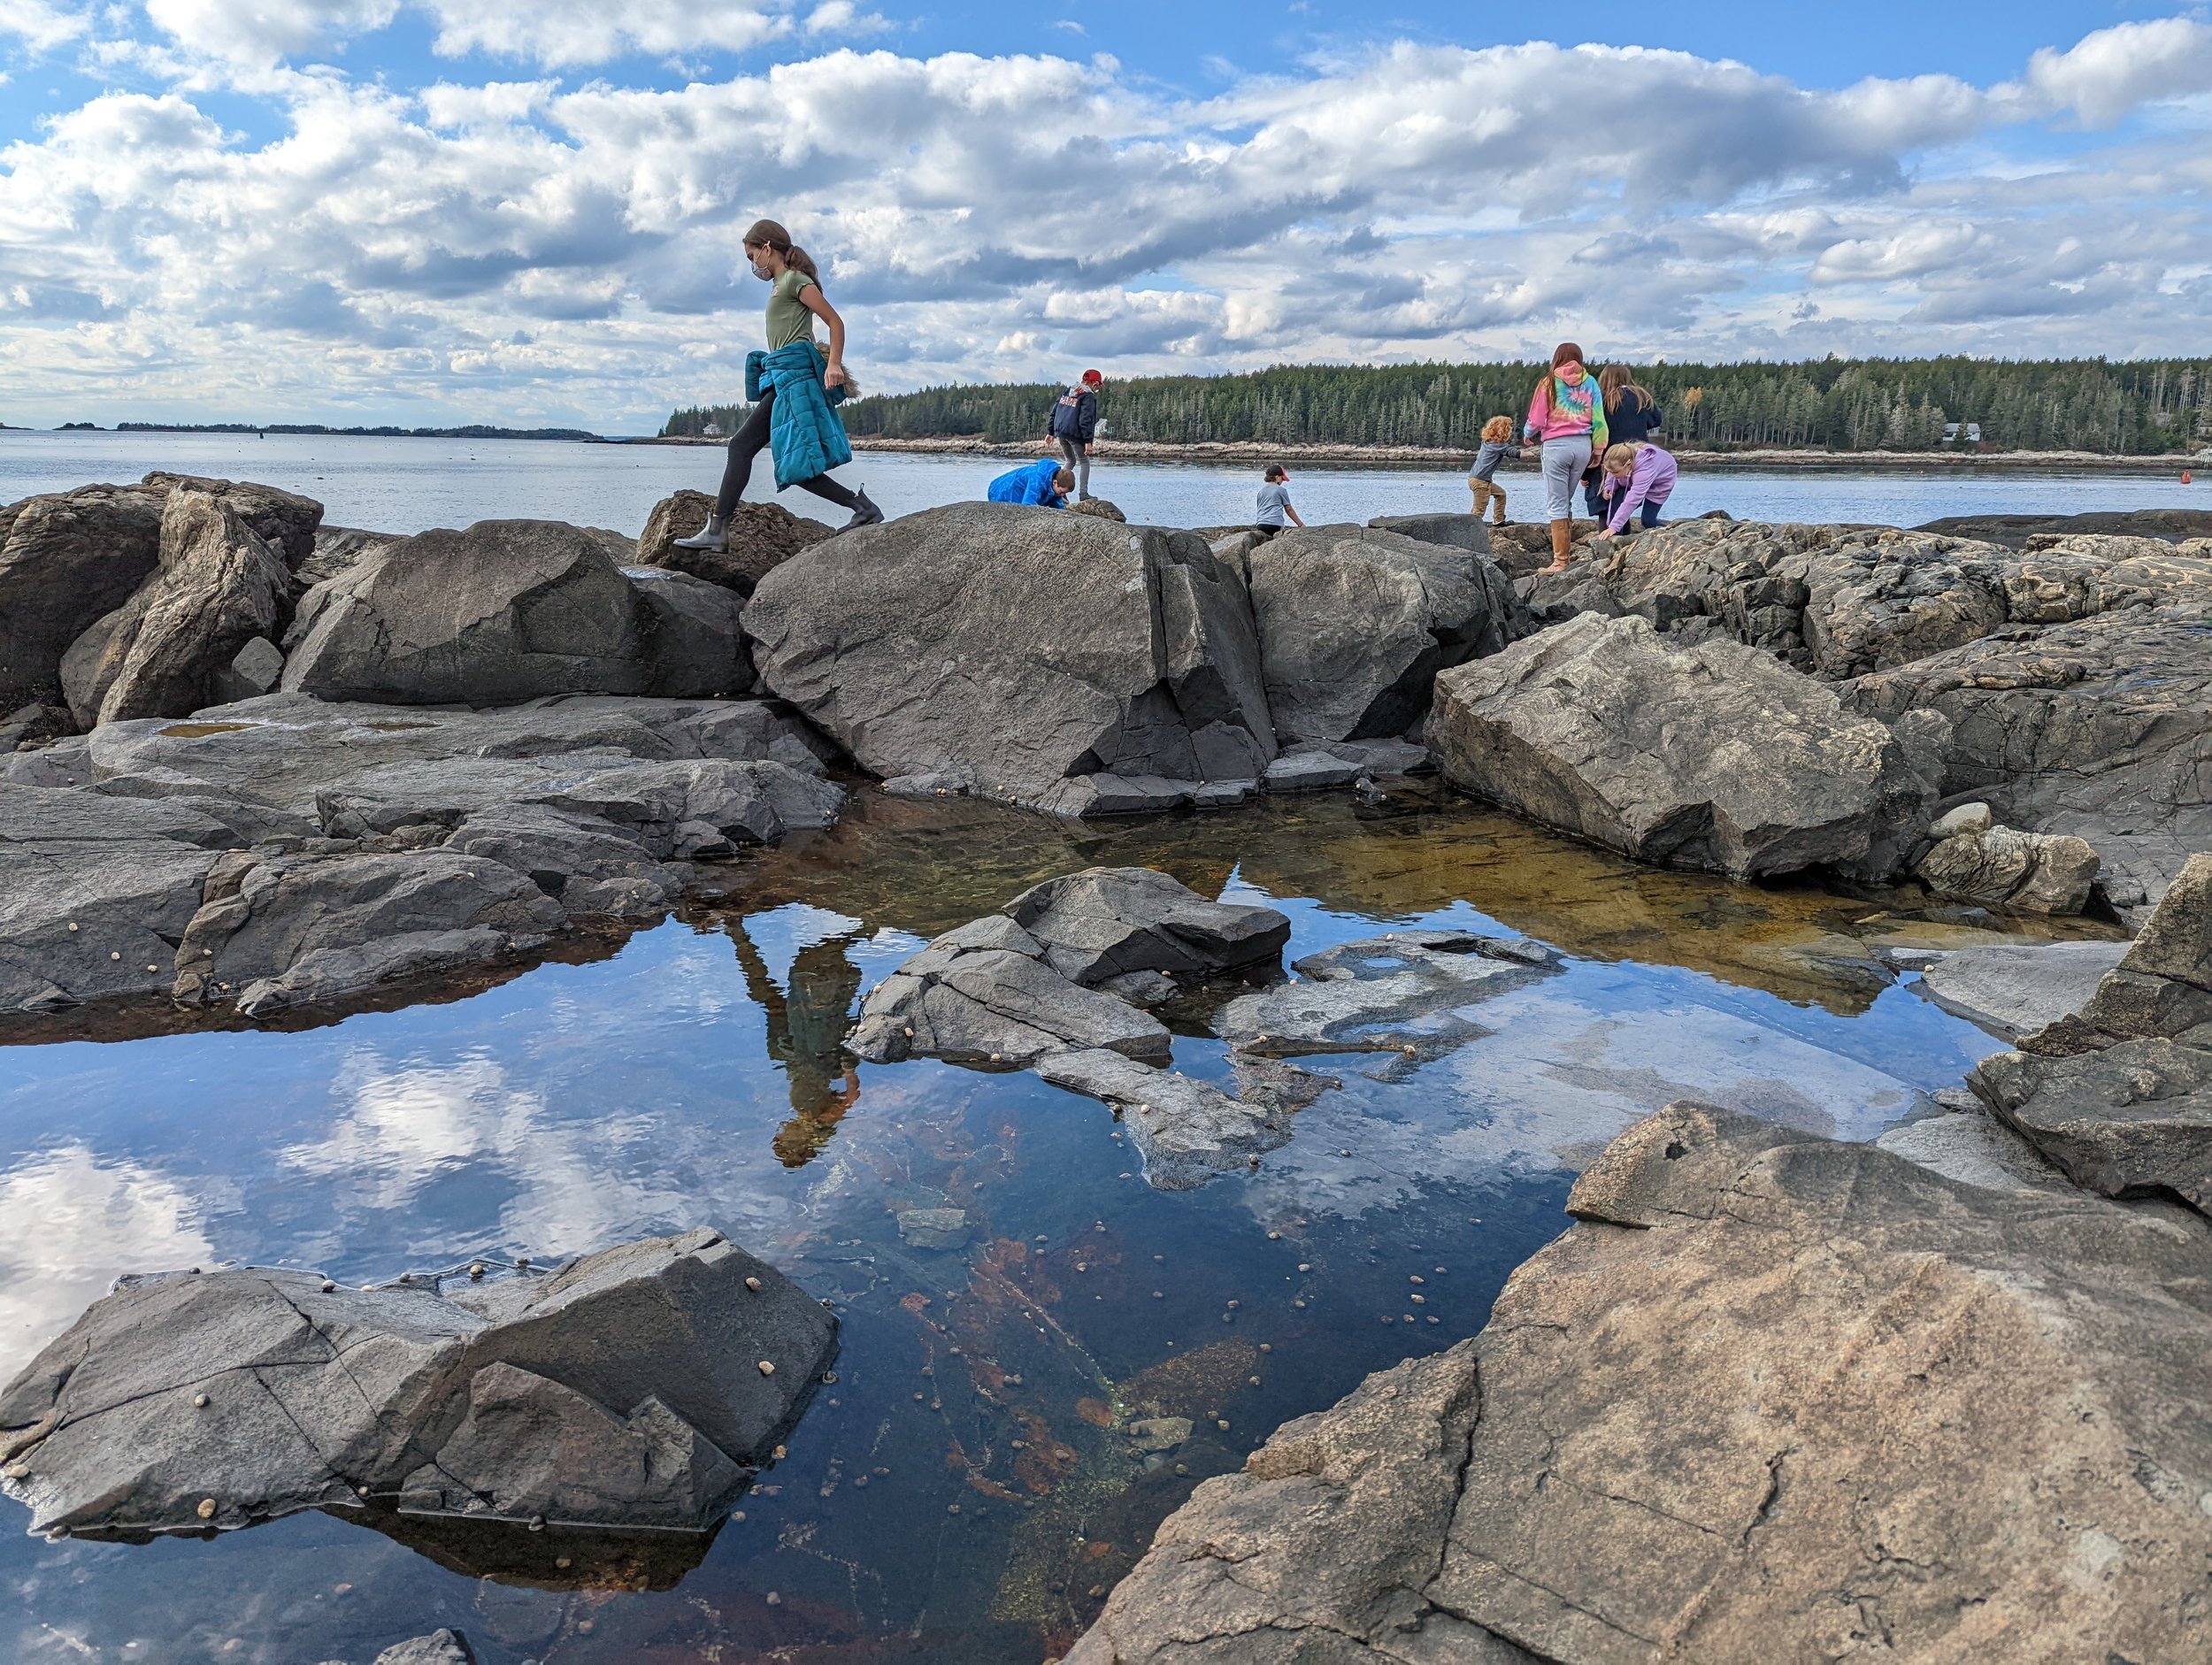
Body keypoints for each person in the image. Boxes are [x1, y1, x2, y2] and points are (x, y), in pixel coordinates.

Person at [675, 219, 883, 553]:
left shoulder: (794, 281)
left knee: (741, 447)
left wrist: (833, 364)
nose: (751, 264)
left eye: (751, 255)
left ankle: (717, 530)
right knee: (794, 466)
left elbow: (835, 322)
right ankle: (863, 508)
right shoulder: (779, 285)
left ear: (767, 249)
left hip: (794, 383)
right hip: (783, 379)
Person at [1523, 343, 1609, 576]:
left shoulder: (1549, 382)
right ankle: (1565, 558)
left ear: (1557, 358)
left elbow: (1537, 417)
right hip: (1582, 446)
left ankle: (1560, 562)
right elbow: (1599, 418)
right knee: (1566, 500)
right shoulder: (1590, 382)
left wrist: (1528, 434)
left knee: (1557, 503)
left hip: (1556, 446)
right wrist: (1599, 449)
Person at [1594, 441, 1677, 537]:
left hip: (1661, 482)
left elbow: (1631, 501)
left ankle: (1672, 533)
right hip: (1633, 473)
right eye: (1610, 472)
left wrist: (1614, 527)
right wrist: (1609, 486)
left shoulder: (1644, 472)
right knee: (1617, 503)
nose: (1612, 475)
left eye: (1615, 472)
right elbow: (1611, 470)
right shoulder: (1621, 462)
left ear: (1628, 464)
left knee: (1648, 521)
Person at [1048, 369, 1104, 502]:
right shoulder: (1087, 396)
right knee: (1084, 461)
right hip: (1075, 434)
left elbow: (1055, 410)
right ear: (1095, 384)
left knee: (1070, 460)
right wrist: (1088, 441)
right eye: (1098, 387)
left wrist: (1050, 432)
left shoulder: (1069, 391)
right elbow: (1086, 419)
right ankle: (1083, 494)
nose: (1097, 390)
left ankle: (1058, 489)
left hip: (1061, 432)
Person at [1468, 417, 1520, 525]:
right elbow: (1514, 453)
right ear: (1503, 430)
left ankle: (1498, 520)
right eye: (1508, 428)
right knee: (1478, 510)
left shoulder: (1487, 442)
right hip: (1481, 481)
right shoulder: (1497, 445)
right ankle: (1470, 530)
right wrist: (1531, 454)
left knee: (1501, 494)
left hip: (1475, 478)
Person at [987, 457, 1076, 507]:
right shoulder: (1037, 480)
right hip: (1000, 490)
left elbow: (1057, 505)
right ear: (1055, 482)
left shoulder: (1054, 487)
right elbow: (1028, 504)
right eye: (1062, 492)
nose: (1062, 495)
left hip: (1014, 490)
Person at [1255, 464, 1303, 535]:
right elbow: (1289, 510)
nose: (1282, 481)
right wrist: (1301, 525)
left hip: (1260, 525)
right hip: (1275, 525)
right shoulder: (1281, 490)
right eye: (1282, 479)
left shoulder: (1261, 491)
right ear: (1277, 477)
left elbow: (1260, 508)